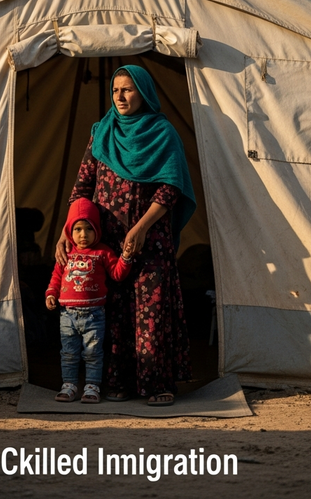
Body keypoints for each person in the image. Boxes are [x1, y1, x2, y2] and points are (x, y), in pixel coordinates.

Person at [55, 64, 195, 407]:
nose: (120, 96)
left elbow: (170, 187)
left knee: (152, 310)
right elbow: (82, 189)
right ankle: (119, 382)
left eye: (128, 89)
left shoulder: (163, 133)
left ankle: (157, 384)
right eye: (116, 90)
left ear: (144, 92)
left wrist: (142, 226)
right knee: (113, 312)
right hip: (108, 242)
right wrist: (65, 233)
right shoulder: (101, 132)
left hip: (150, 240)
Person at [45, 197, 133, 404]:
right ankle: (69, 386)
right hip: (67, 314)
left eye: (88, 229)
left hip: (94, 315)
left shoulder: (103, 252)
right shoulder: (67, 252)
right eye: (77, 229)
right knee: (68, 353)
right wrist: (50, 294)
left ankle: (92, 387)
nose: (83, 235)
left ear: (97, 230)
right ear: (69, 231)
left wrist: (126, 257)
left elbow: (117, 274)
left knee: (93, 353)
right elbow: (57, 276)